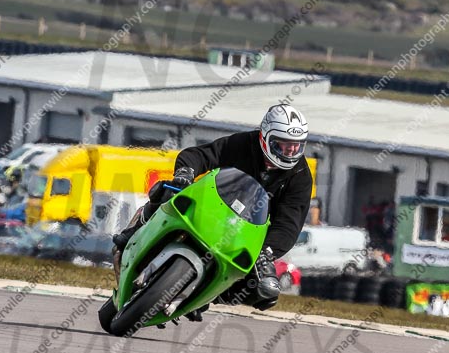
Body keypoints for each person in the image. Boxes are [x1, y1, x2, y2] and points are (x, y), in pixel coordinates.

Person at [113, 104, 312, 319]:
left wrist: (266, 251)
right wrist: (185, 172)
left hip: (248, 234)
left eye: (296, 146)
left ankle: (206, 296)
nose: (291, 151)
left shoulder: (300, 176)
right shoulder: (243, 144)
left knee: (266, 290)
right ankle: (134, 231)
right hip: (213, 206)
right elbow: (201, 155)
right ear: (265, 138)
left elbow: (289, 224)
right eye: (283, 144)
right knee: (167, 190)